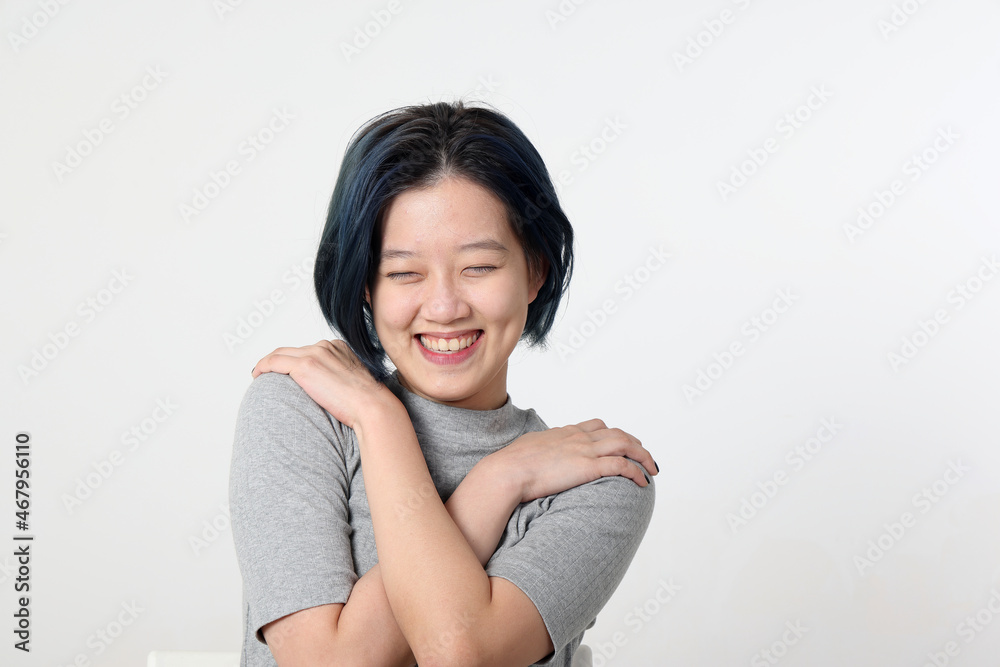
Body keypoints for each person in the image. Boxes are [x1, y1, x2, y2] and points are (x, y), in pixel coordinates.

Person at [229, 100, 658, 666]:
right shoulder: (303, 409)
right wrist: (486, 477)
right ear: (366, 286)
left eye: (478, 267)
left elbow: (460, 653)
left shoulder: (599, 478)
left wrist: (495, 471)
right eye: (404, 272)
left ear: (534, 271)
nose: (444, 307)